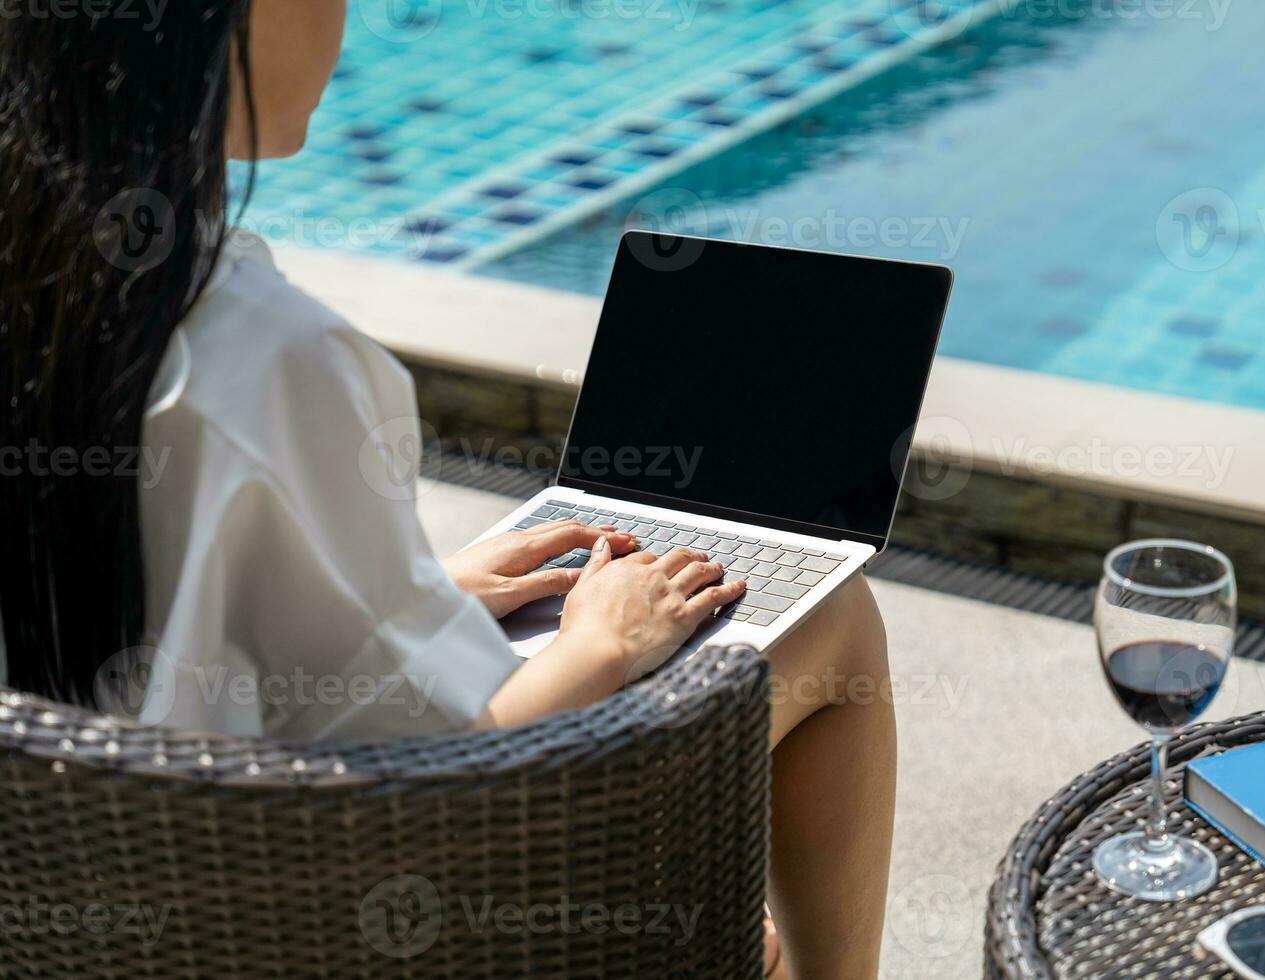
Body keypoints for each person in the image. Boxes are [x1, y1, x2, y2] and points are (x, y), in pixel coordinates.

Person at [0, 2, 896, 975]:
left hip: (107, 903)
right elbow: (449, 785)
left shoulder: (50, 285)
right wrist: (603, 641)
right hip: (339, 918)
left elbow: (152, 620)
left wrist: (420, 590)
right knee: (834, 617)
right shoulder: (266, 359)